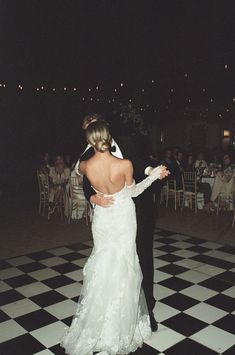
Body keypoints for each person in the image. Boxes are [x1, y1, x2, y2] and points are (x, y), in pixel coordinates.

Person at [60, 121, 169, 355]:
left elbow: (77, 177)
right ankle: (121, 325)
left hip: (102, 219)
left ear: (89, 141)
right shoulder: (124, 164)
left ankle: (97, 324)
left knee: (102, 264)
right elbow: (133, 191)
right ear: (109, 137)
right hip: (122, 217)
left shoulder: (86, 164)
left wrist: (95, 196)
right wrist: (153, 176)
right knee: (125, 266)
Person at [75, 114, 159, 332]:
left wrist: (150, 170)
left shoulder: (89, 160)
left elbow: (142, 162)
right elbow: (87, 185)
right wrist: (92, 197)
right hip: (120, 212)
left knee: (133, 259)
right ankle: (121, 319)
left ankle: (145, 310)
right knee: (124, 263)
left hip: (128, 214)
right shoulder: (88, 155)